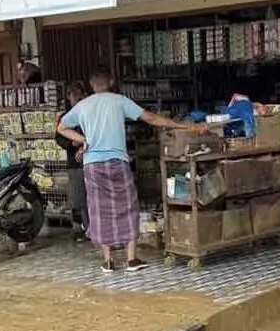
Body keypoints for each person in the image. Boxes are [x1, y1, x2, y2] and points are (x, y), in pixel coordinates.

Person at [57, 68, 207, 273]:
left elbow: (61, 127)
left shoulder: (83, 106)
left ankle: (108, 261)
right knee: (128, 206)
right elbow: (151, 119)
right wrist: (183, 127)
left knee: (99, 210)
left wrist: (83, 140)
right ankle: (131, 259)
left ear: (91, 86)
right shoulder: (119, 101)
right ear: (110, 81)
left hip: (92, 164)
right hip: (117, 161)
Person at [55, 82, 89, 241]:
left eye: (78, 93)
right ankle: (85, 227)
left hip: (92, 159)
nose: (75, 96)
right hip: (74, 162)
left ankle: (94, 228)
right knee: (79, 198)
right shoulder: (64, 117)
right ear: (68, 97)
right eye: (72, 93)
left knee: (94, 195)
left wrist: (83, 145)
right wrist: (72, 144)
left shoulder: (89, 112)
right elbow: (59, 139)